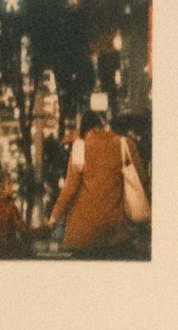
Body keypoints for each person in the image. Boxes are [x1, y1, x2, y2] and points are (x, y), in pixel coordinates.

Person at [47, 108, 140, 257]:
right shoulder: (125, 145)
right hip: (115, 228)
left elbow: (70, 187)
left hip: (85, 229)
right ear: (102, 125)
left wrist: (54, 218)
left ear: (83, 128)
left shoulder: (80, 147)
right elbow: (140, 180)